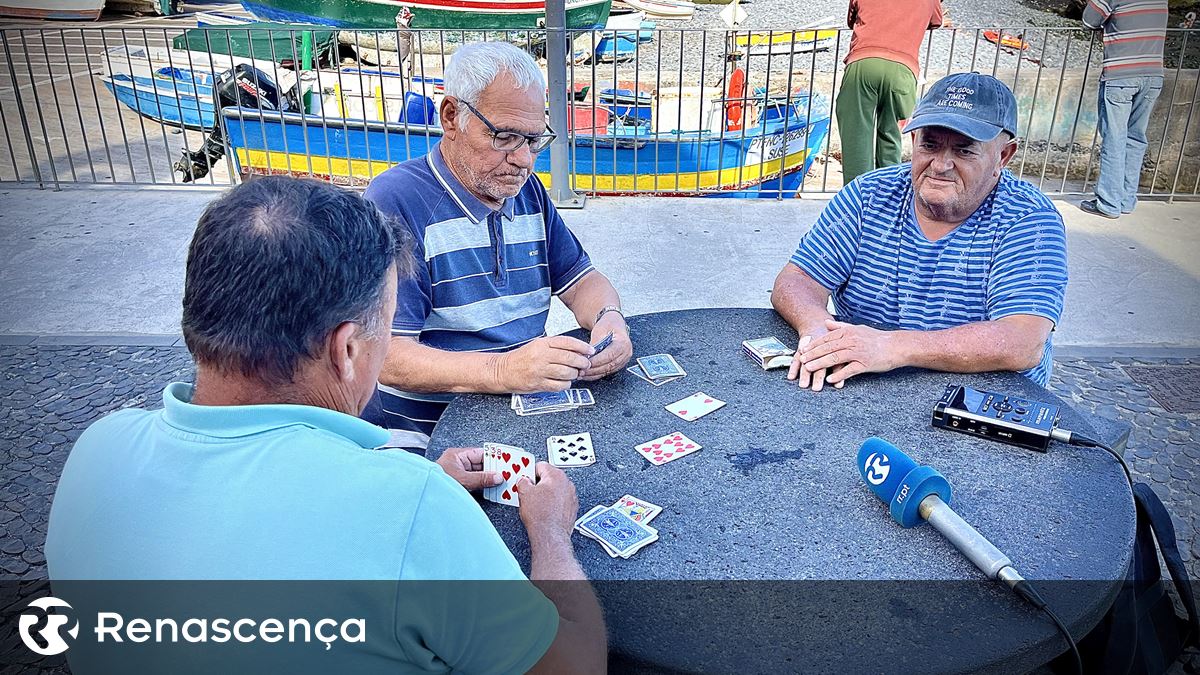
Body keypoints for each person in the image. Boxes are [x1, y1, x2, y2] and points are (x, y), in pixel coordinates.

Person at [45, 177, 606, 673]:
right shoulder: (411, 507)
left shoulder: (96, 450)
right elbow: (575, 667)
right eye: (387, 328)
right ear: (346, 350)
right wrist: (550, 535)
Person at [362, 41, 632, 450]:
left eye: (534, 140)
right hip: (432, 441)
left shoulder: (526, 191)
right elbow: (388, 357)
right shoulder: (394, 200)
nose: (523, 159)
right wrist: (505, 369)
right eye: (505, 137)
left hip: (518, 415)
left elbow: (582, 281)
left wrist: (610, 319)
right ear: (451, 116)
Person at [772, 73, 1069, 391]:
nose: (941, 165)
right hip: (864, 387)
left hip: (982, 404)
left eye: (964, 151)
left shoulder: (1028, 219)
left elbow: (1022, 341)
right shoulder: (869, 194)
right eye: (930, 144)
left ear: (1003, 156)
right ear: (914, 141)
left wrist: (891, 347)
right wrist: (815, 327)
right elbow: (797, 279)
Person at [836, 0, 945, 183]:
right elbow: (936, 21)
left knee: (856, 139)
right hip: (903, 70)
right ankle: (888, 198)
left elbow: (851, 18)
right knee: (891, 138)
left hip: (863, 63)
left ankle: (856, 200)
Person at [1079, 0, 1168, 219]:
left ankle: (1108, 202)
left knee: (1114, 139)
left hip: (1121, 76)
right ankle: (1126, 200)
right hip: (1154, 74)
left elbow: (1089, 20)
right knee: (1136, 138)